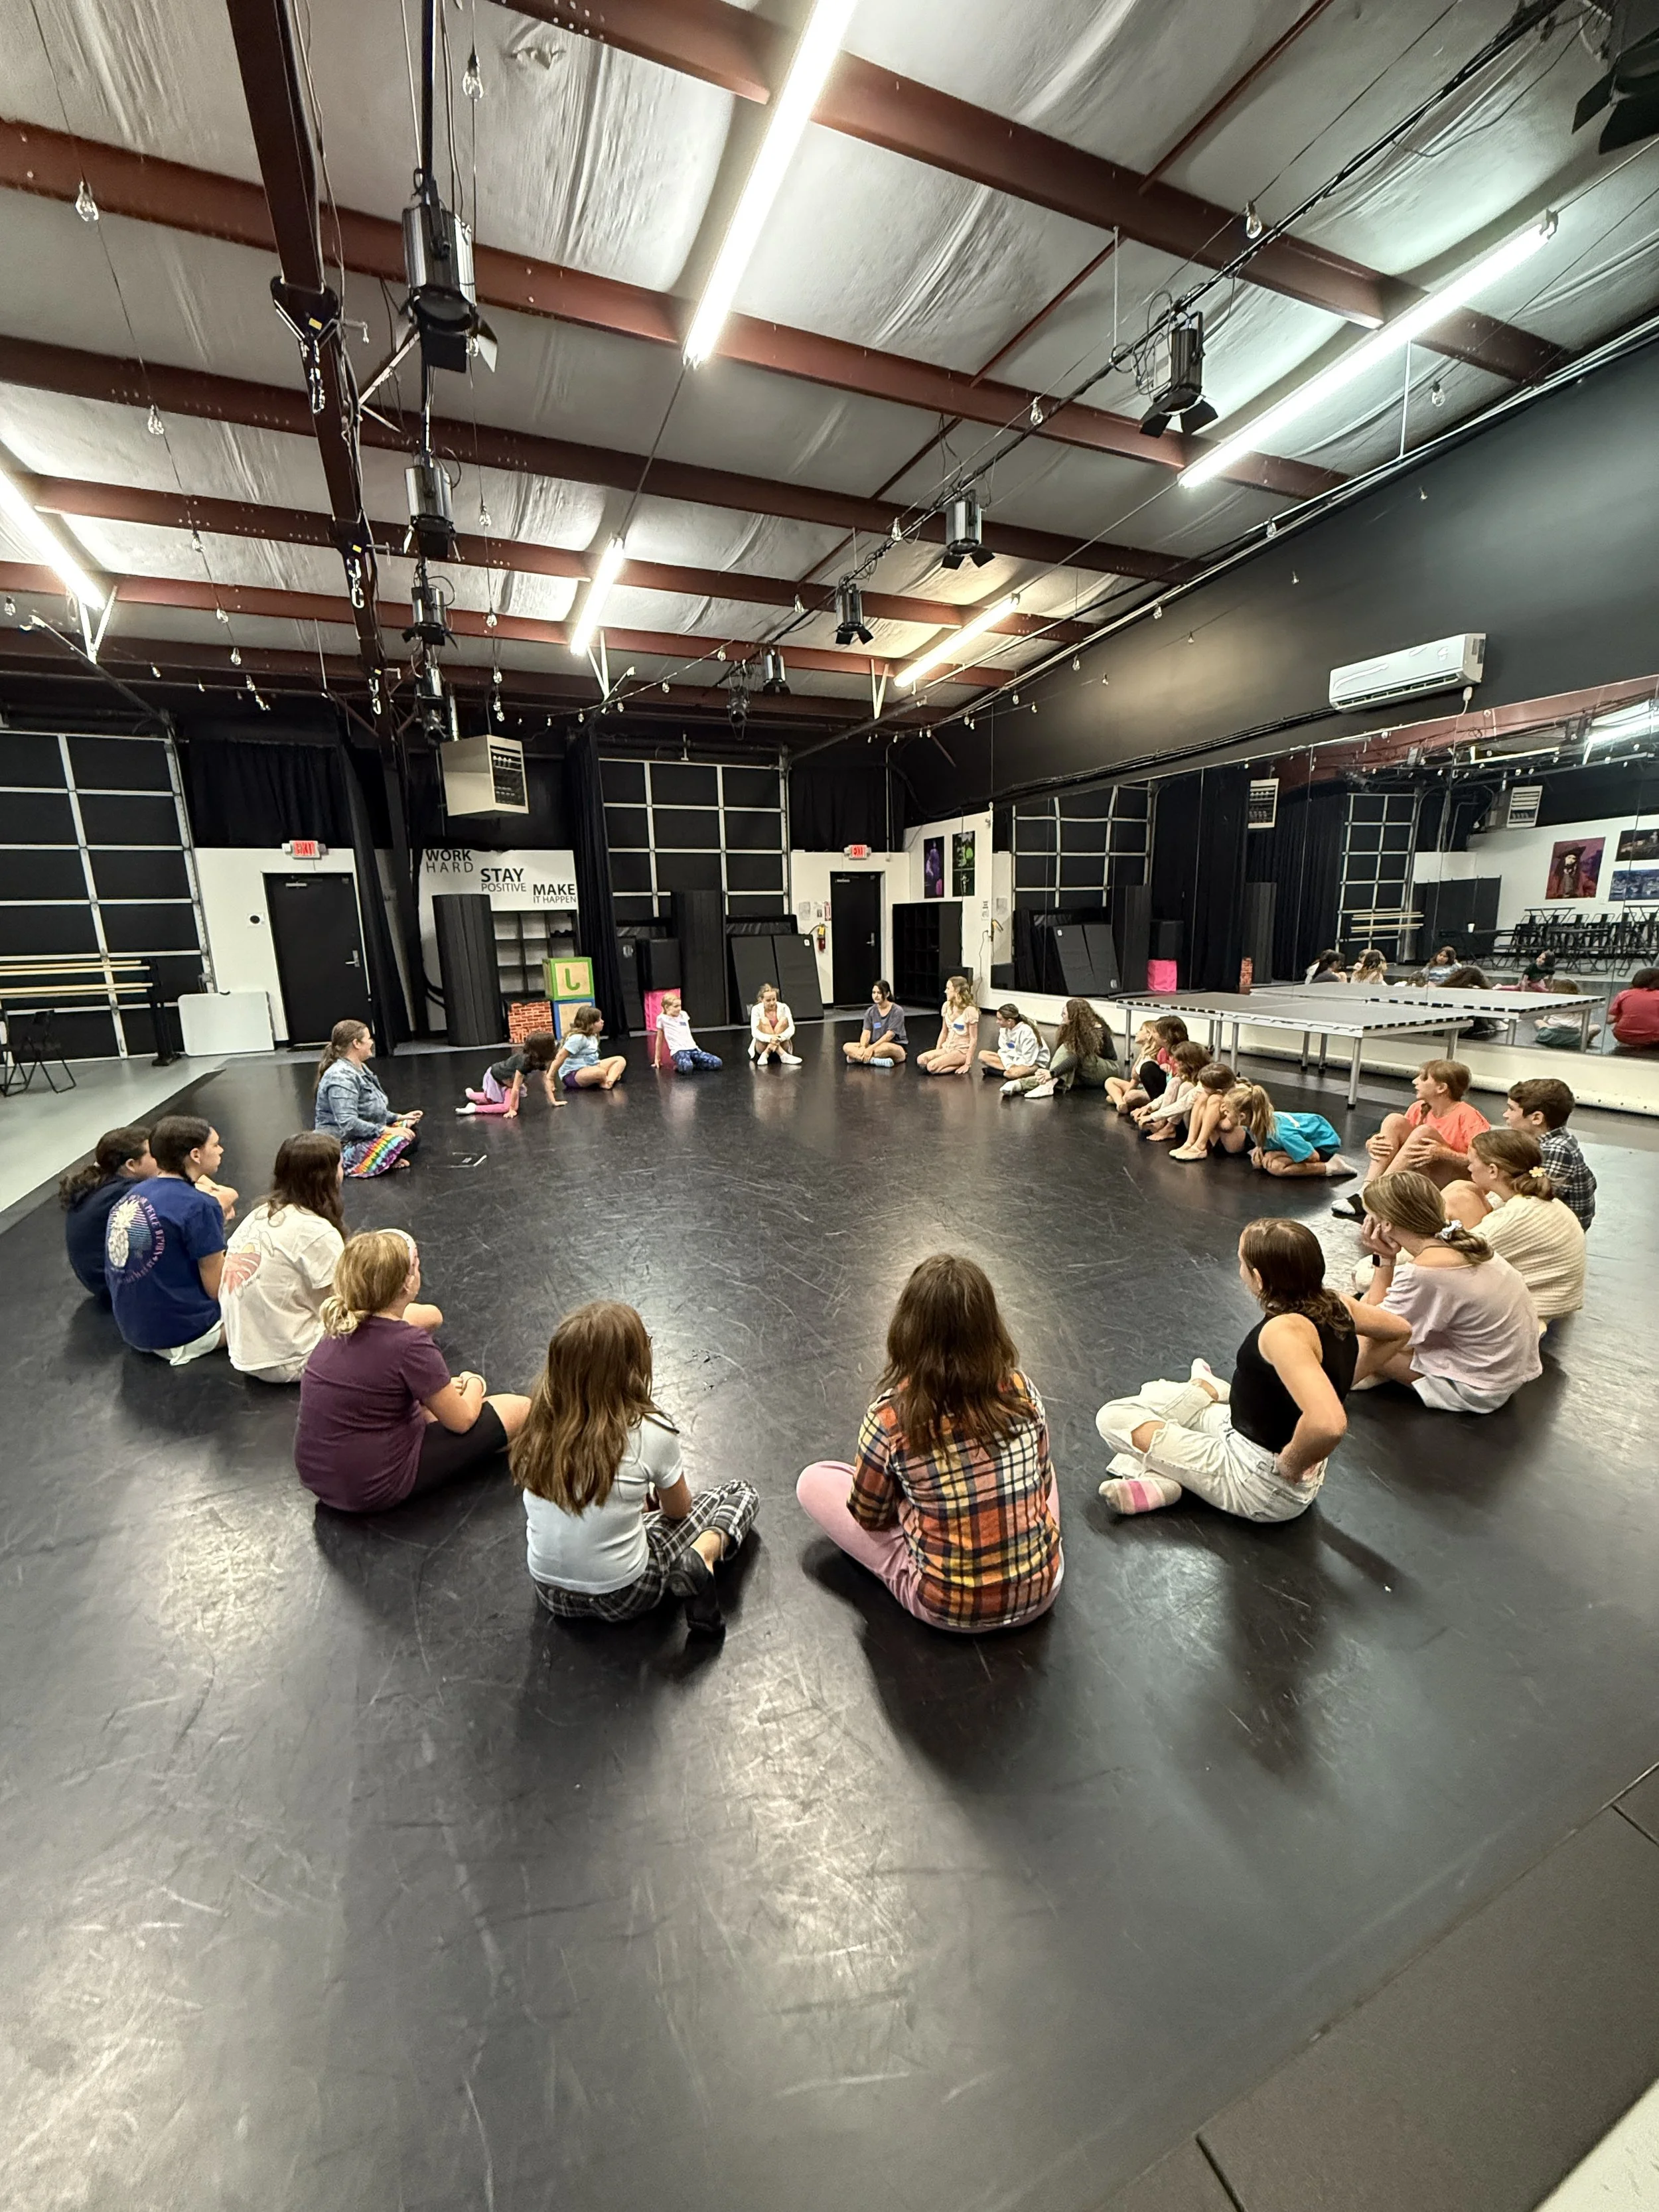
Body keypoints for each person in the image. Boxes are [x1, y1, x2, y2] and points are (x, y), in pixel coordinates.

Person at [796, 1254, 1062, 1633]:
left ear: (907, 1331)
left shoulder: (890, 1418)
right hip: (1041, 1593)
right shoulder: (1022, 1391)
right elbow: (1044, 1480)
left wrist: (918, 1501)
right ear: (991, 1329)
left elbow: (870, 1517)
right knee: (1044, 1479)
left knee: (814, 1481)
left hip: (948, 1612)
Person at [512, 1300, 758, 1635]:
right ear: (633, 1364)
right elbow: (678, 1510)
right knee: (740, 1492)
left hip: (550, 1593)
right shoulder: (649, 1429)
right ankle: (703, 1556)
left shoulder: (537, 1425)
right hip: (624, 1593)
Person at [1095, 1218, 1354, 1520]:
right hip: (1245, 1437)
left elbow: (1329, 1423)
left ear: (1258, 1278)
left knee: (1113, 1419)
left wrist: (1291, 1463)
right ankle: (1164, 1481)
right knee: (1159, 1393)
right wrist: (1346, 1379)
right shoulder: (1337, 1303)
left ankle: (1195, 1409)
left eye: (1241, 1262)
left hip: (1262, 1484)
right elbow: (1398, 1329)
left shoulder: (1283, 1332)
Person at [293, 1229, 530, 1511]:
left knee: (431, 1410)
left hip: (319, 1478)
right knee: (521, 1410)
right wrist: (474, 1383)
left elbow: (372, 1391)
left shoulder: (336, 1328)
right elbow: (463, 1420)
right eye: (416, 1267)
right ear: (406, 1285)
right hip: (371, 1487)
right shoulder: (409, 1344)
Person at [220, 1134, 440, 1384]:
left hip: (246, 1357)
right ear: (327, 1175)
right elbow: (351, 1303)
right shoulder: (315, 1231)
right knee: (428, 1316)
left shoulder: (260, 1215)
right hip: (293, 1359)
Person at [1349, 1171, 1542, 1414]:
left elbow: (1373, 1330)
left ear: (1385, 1225)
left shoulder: (1424, 1274)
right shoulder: (1466, 1244)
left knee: (1350, 1338)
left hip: (1475, 1389)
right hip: (1503, 1374)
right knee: (1368, 1312)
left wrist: (1384, 1260)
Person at [105, 1114, 238, 1364]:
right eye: (215, 1145)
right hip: (182, 1334)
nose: (221, 1150)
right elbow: (217, 1288)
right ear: (196, 1155)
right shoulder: (200, 1206)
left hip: (135, 1330)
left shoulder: (133, 1195)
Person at [1440, 1130, 1586, 1322]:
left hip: (1537, 1306)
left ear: (1493, 1170)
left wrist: (1395, 1254)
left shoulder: (1517, 1216)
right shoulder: (1528, 1198)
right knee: (1463, 1189)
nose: (1469, 1168)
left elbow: (1451, 1257)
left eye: (1473, 1162)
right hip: (1553, 1295)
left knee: (1458, 1203)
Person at [1336, 1057, 1488, 1217]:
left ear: (1442, 1088)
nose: (1415, 1082)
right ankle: (1368, 1189)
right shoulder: (1418, 1108)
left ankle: (1377, 1193)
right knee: (1394, 1120)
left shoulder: (1468, 1116)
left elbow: (1486, 1160)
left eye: (1423, 1078)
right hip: (1422, 1177)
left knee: (1423, 1133)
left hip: (1456, 1182)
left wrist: (1445, 1154)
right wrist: (1372, 1143)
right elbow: (1404, 1148)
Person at [313, 1019, 421, 1176]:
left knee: (409, 1130)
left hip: (360, 1135)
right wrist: (385, 1131)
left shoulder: (359, 1067)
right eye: (368, 1039)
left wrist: (398, 1117)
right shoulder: (340, 1077)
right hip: (343, 1144)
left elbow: (369, 1110)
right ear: (356, 1043)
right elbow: (348, 1124)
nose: (371, 1042)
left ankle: (384, 1159)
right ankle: (357, 1162)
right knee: (404, 1138)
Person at [60, 1126, 155, 1298]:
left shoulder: (104, 1182)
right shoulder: (126, 1192)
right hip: (114, 1284)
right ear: (131, 1165)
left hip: (97, 1278)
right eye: (154, 1155)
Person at [1504, 1077, 1595, 1230]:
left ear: (1537, 1118)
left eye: (1512, 1109)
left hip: (1555, 1232)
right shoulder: (1554, 1142)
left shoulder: (1556, 1150)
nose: (1506, 1115)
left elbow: (1536, 1200)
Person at [1231, 1082, 1356, 1179]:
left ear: (1242, 1116)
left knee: (1276, 1167)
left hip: (1322, 1145)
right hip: (1300, 1136)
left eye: (1227, 1112)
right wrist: (1260, 1147)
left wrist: (1277, 1153)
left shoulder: (1281, 1134)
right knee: (1261, 1162)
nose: (1224, 1114)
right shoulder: (1253, 1123)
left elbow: (1313, 1156)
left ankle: (1331, 1167)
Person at [1007, 997, 1117, 1099]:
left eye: (1065, 1013)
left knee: (1068, 1050)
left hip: (1107, 1070)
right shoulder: (1078, 1027)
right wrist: (1054, 1074)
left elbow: (1078, 1057)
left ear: (1074, 1016)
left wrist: (1052, 1073)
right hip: (1087, 1070)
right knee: (1061, 1078)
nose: (1062, 1015)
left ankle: (1046, 1085)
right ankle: (1020, 1084)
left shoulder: (1096, 1030)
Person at [457, 1031, 566, 1116]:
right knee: (505, 1106)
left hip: (508, 1080)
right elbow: (515, 1088)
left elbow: (546, 1081)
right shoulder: (524, 1062)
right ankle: (474, 1108)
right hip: (496, 1076)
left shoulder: (539, 1061)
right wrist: (512, 1109)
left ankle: (472, 1095)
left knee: (491, 1099)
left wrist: (553, 1101)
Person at [1168, 1065, 1252, 1161]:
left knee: (1214, 1099)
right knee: (1203, 1097)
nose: (1203, 1089)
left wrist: (1215, 1119)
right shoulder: (1217, 1091)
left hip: (1236, 1142)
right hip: (1218, 1140)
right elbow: (1183, 1103)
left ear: (1219, 1091)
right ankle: (1190, 1142)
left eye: (1205, 1088)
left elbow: (1227, 1126)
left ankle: (1200, 1146)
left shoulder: (1240, 1096)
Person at [1134, 1039, 1209, 1142]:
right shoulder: (1190, 1076)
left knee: (1186, 1087)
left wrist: (1153, 1116)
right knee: (1175, 1081)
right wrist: (1149, 1107)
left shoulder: (1204, 1081)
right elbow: (1167, 1095)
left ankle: (1170, 1127)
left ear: (1189, 1064)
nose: (1175, 1065)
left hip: (1200, 1125)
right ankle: (1163, 1123)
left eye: (1178, 1063)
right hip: (1185, 1117)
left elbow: (1184, 1103)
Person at [551, 1005, 628, 1091]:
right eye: (599, 1020)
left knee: (620, 1060)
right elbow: (560, 1056)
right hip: (573, 1074)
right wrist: (550, 1077)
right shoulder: (578, 1038)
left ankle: (608, 1082)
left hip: (592, 1066)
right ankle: (606, 1077)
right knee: (599, 1072)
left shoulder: (593, 1035)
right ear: (591, 1024)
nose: (602, 1022)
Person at [917, 974, 979, 1076]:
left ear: (957, 990)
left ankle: (960, 1063)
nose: (945, 991)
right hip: (947, 1048)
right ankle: (944, 1062)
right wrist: (938, 1052)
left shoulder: (970, 1011)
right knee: (921, 1060)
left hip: (961, 1051)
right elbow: (944, 1031)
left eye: (948, 988)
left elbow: (973, 1039)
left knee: (931, 1067)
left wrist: (968, 1063)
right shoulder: (946, 1006)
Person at [1106, 1021, 1171, 1115]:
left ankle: (1120, 1100)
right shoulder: (1144, 1053)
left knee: (1130, 1096)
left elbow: (1135, 1079)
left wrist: (1126, 1095)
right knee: (1110, 1081)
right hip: (1140, 1086)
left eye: (1141, 1030)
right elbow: (1134, 1076)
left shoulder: (1153, 1057)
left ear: (1149, 1035)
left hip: (1148, 1091)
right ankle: (1120, 1103)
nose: (1137, 1033)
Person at [652, 990, 722, 1073]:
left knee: (717, 1062)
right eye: (676, 1006)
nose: (679, 1009)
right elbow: (659, 1039)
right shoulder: (662, 1019)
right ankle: (683, 1066)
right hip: (679, 1051)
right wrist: (657, 1058)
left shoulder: (684, 1015)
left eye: (680, 1006)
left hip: (693, 1049)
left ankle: (693, 1065)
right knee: (687, 1067)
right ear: (667, 1007)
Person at [843, 980, 908, 1068]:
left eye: (879, 993)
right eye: (874, 993)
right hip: (874, 1045)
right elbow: (866, 1033)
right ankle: (875, 1061)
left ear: (887, 994)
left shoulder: (897, 1011)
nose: (876, 996)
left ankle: (857, 1059)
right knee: (847, 1047)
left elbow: (889, 1036)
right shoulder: (870, 1012)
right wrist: (862, 1047)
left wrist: (870, 1049)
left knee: (885, 1048)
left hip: (894, 1046)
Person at [979, 1002, 1048, 1083]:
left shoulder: (1027, 1033)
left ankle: (1000, 1073)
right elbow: (1004, 1051)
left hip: (1032, 1063)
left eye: (1000, 1019)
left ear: (1009, 1021)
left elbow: (1028, 1060)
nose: (997, 1022)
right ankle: (1007, 1072)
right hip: (1012, 1060)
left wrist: (1013, 1066)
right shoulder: (1004, 1029)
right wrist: (1010, 1065)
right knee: (982, 1055)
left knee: (1013, 1073)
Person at [749, 982, 801, 1068]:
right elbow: (755, 1032)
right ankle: (783, 1055)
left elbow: (792, 1028)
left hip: (781, 1043)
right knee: (764, 1021)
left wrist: (780, 1038)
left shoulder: (784, 1007)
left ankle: (767, 1053)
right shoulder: (756, 1009)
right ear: (761, 1000)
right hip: (762, 1046)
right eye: (768, 1001)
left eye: (774, 999)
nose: (772, 1003)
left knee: (784, 1020)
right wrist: (770, 1038)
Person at [1609, 966, 1659, 1051]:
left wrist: (1623, 1016)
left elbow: (1609, 1020)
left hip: (1624, 1036)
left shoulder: (1624, 994)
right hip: (1654, 1038)